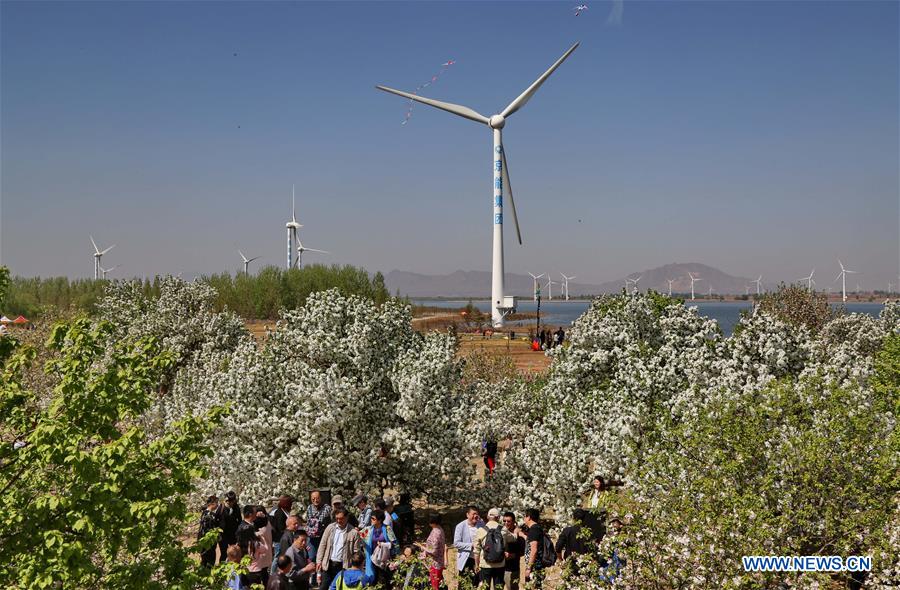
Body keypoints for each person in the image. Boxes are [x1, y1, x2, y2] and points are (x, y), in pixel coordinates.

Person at [316, 508, 362, 590]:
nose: (338, 521)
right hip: (328, 564)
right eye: (336, 518)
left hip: (343, 566)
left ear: (346, 518)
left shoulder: (353, 533)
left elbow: (356, 552)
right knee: (324, 587)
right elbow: (322, 545)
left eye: (341, 518)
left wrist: (355, 567)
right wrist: (319, 561)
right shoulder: (330, 528)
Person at [473, 508, 514, 589]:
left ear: (488, 517)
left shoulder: (481, 530)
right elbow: (513, 539)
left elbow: (476, 550)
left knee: (484, 587)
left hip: (485, 564)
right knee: (498, 587)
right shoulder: (503, 529)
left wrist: (477, 565)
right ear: (498, 518)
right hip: (500, 564)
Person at [360, 510, 399, 588]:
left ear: (380, 520)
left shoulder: (387, 528)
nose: (371, 520)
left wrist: (383, 544)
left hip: (384, 558)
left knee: (386, 578)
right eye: (371, 518)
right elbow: (360, 536)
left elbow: (394, 543)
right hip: (373, 558)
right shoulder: (369, 529)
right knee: (373, 578)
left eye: (373, 519)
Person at [453, 506, 484, 587]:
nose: (475, 516)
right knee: (464, 583)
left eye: (477, 514)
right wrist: (471, 546)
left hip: (478, 559)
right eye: (473, 514)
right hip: (466, 559)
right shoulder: (460, 526)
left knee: (477, 583)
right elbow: (456, 543)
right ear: (467, 515)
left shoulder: (481, 525)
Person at [244, 505, 275, 588]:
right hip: (265, 551)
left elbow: (259, 533)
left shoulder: (263, 524)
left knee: (262, 574)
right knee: (264, 573)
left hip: (262, 552)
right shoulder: (267, 522)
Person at [419, 513, 446, 590]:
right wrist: (426, 544)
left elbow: (433, 550)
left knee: (435, 585)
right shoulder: (438, 529)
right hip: (438, 561)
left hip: (435, 562)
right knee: (437, 583)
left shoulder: (436, 532)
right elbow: (434, 544)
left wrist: (422, 547)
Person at [520, 509, 546, 588]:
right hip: (536, 565)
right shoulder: (536, 528)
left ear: (529, 518)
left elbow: (534, 550)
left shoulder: (534, 529)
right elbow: (531, 541)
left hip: (535, 566)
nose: (524, 519)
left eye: (525, 516)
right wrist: (523, 535)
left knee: (533, 587)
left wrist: (529, 568)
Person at [307, 491, 333, 558]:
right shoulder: (309, 508)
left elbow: (331, 522)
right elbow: (308, 523)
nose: (315, 500)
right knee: (312, 557)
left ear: (321, 498)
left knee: (323, 557)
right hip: (312, 538)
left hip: (323, 537)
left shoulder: (327, 508)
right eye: (313, 499)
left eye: (317, 498)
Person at [198, 494, 222, 568]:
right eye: (216, 503)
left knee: (206, 561)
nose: (217, 505)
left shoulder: (207, 513)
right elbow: (206, 530)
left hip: (207, 542)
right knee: (208, 561)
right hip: (207, 543)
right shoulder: (208, 515)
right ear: (212, 503)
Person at [501, 512, 524, 590]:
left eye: (508, 521)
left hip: (512, 569)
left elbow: (522, 551)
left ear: (514, 522)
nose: (506, 523)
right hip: (499, 567)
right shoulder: (500, 531)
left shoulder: (519, 534)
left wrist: (512, 555)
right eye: (504, 521)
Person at [271, 495, 295, 567]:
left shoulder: (285, 512)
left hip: (282, 538)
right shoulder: (280, 513)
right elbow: (280, 527)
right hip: (279, 539)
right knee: (277, 557)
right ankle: (273, 572)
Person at [221, 491, 243, 563]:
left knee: (235, 551)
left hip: (233, 532)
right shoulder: (222, 508)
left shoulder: (236, 507)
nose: (230, 503)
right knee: (224, 553)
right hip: (224, 533)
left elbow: (239, 520)